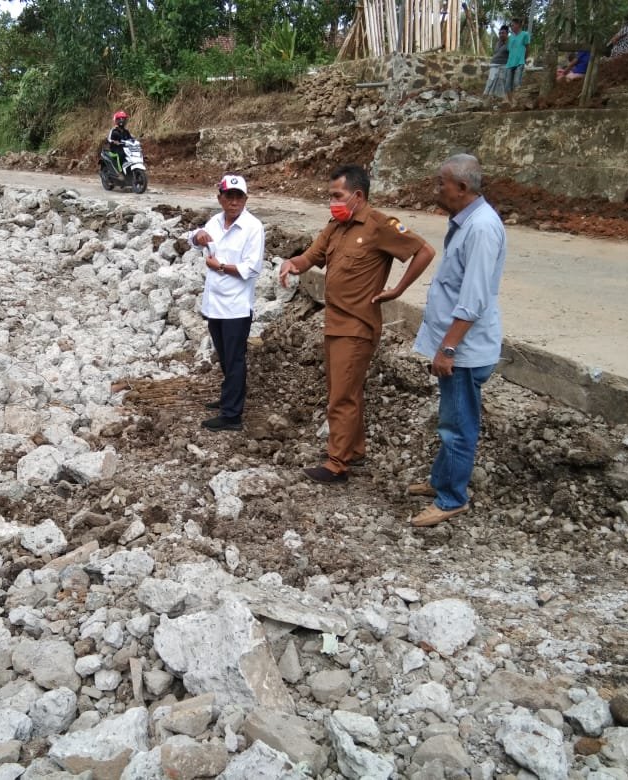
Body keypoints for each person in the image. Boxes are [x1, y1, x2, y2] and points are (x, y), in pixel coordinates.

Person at [279, 165, 436, 484]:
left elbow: (425, 250)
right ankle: (355, 449)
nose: (332, 202)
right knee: (346, 390)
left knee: (342, 396)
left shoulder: (380, 226)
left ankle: (337, 463)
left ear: (358, 195)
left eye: (337, 196)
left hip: (358, 326)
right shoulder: (336, 226)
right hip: (335, 323)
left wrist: (399, 289)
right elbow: (310, 257)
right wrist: (291, 264)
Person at [409, 154, 506, 528]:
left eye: (441, 184)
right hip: (456, 346)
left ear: (462, 188)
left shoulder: (481, 229)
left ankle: (452, 499)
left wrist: (448, 346)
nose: (437, 190)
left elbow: (474, 297)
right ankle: (440, 482)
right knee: (451, 417)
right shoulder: (468, 223)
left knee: (458, 425)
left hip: (464, 350)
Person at [187, 174, 265, 432]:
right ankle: (228, 397)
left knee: (235, 358)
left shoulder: (253, 227)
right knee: (223, 355)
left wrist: (219, 266)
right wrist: (197, 235)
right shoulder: (215, 221)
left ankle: (232, 415)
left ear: (245, 198)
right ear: (220, 198)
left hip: (236, 306)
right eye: (228, 196)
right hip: (214, 303)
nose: (233, 201)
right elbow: (194, 237)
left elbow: (252, 268)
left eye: (238, 196)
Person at [505, 18, 531, 93]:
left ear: (518, 25)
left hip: (519, 62)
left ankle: (517, 101)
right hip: (510, 63)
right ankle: (511, 103)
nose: (511, 27)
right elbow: (509, 50)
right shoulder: (510, 37)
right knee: (507, 86)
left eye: (512, 25)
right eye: (510, 25)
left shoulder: (525, 34)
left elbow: (528, 48)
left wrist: (524, 59)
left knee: (516, 83)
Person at [483, 25, 510, 97]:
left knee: (500, 82)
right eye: (500, 33)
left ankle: (500, 97)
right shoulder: (497, 43)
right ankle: (488, 95)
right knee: (491, 80)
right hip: (494, 65)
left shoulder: (510, 43)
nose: (501, 35)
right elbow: (495, 54)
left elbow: (512, 55)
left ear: (507, 34)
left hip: (503, 66)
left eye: (503, 33)